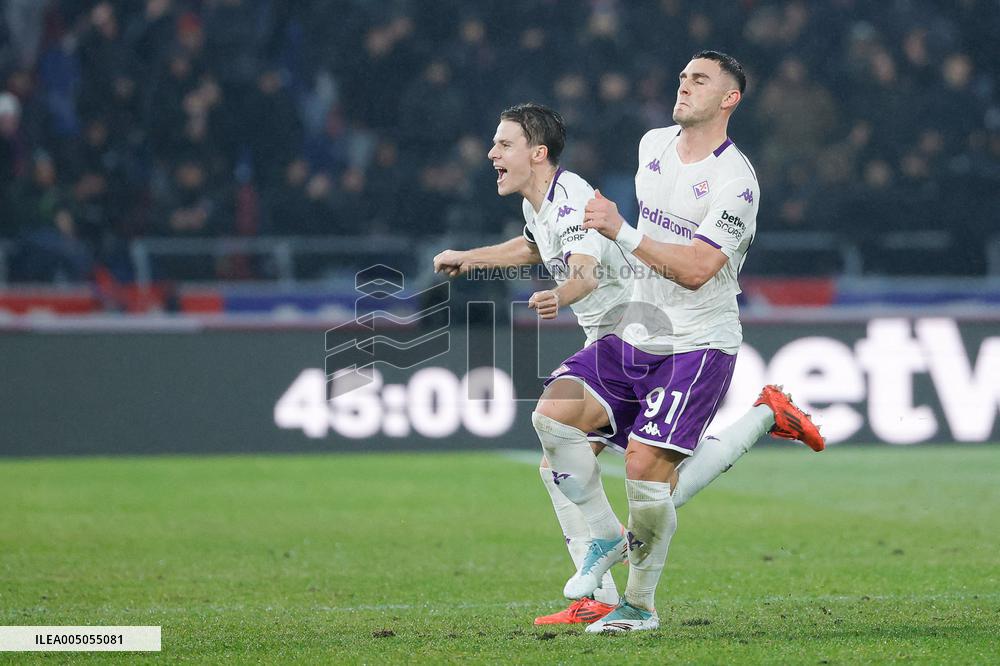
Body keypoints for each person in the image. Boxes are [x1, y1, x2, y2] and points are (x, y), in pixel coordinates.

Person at [529, 51, 824, 634]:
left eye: (700, 80)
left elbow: (695, 269)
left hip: (698, 343)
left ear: (729, 99)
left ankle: (638, 606)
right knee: (554, 417)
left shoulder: (737, 182)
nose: (684, 85)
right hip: (639, 327)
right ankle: (609, 538)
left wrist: (620, 230)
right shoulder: (652, 146)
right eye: (683, 76)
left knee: (647, 472)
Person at [434, 102, 635, 624]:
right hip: (616, 341)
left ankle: (611, 551)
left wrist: (559, 296)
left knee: (553, 421)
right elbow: (531, 248)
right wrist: (471, 257)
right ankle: (601, 600)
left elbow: (585, 274)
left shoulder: (574, 203)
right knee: (561, 468)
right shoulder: (540, 205)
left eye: (503, 144)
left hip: (639, 340)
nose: (491, 153)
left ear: (537, 153)